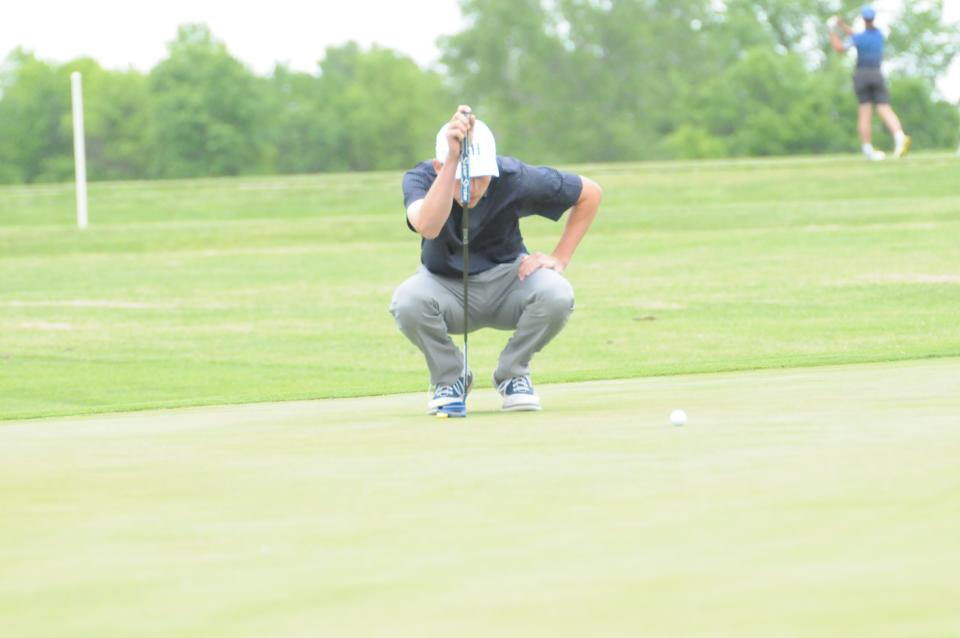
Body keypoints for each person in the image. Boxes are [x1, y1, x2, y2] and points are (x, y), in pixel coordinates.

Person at [390, 105, 603, 414]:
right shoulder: (420, 178)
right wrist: (453, 161)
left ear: (493, 169)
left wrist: (560, 257)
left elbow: (590, 193)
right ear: (438, 166)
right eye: (465, 177)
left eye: (480, 176)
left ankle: (513, 373)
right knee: (407, 302)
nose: (472, 188)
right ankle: (451, 378)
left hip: (508, 282)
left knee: (557, 293)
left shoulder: (514, 177)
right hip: (443, 287)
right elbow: (428, 225)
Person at [829, 5, 911, 160]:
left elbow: (839, 47)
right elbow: (856, 34)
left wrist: (832, 30)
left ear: (863, 19)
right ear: (873, 18)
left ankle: (867, 149)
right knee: (884, 108)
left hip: (861, 75)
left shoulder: (858, 38)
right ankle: (899, 137)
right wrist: (842, 26)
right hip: (877, 74)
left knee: (864, 113)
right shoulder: (879, 34)